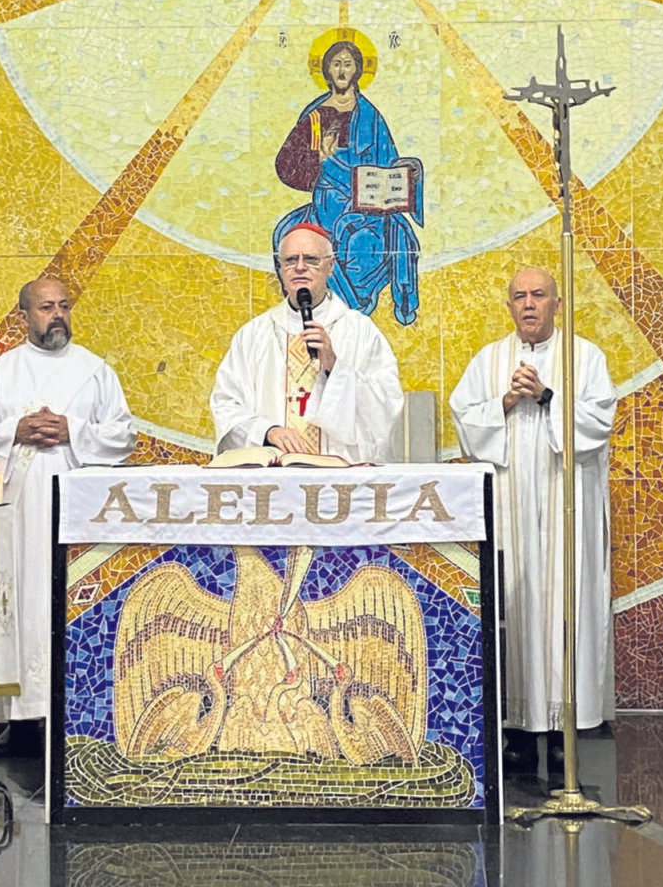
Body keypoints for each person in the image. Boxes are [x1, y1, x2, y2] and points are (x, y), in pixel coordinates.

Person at [0, 277, 136, 756]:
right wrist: (14, 430)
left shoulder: (95, 371)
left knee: (63, 602)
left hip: (77, 509)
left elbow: (123, 436)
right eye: (46, 307)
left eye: (63, 306)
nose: (57, 315)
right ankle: (21, 721)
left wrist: (72, 431)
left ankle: (71, 717)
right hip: (18, 510)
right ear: (24, 316)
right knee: (22, 607)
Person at [448, 268, 616, 775]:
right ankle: (519, 732)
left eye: (538, 295)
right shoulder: (490, 360)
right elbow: (464, 418)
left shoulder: (584, 357)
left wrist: (545, 395)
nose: (528, 304)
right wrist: (505, 400)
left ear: (556, 304)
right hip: (514, 507)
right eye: (519, 296)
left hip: (567, 505)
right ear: (509, 306)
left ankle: (567, 731)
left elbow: (599, 423)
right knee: (517, 612)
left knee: (567, 608)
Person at [210, 224, 404, 462]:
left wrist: (335, 367)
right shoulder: (253, 335)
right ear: (280, 269)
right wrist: (267, 431)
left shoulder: (360, 331)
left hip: (340, 474)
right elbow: (226, 404)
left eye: (311, 259)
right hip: (273, 476)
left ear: (330, 266)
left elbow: (386, 404)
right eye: (291, 260)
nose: (299, 267)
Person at [274, 39, 423, 325]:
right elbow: (287, 166)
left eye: (348, 64)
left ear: (357, 71)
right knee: (289, 234)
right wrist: (317, 158)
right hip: (327, 204)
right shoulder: (315, 116)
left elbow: (389, 162)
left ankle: (383, 308)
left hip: (367, 205)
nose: (342, 70)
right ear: (327, 71)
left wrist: (408, 169)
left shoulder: (370, 115)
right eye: (336, 64)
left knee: (384, 241)